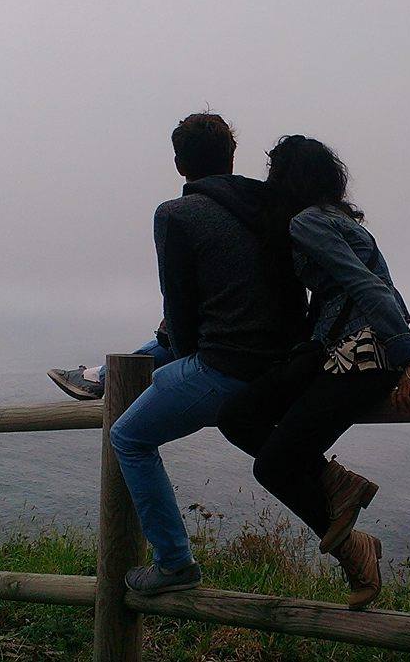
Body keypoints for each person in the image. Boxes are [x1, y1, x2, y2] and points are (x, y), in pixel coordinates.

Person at [216, 135, 410, 610]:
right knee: (237, 416)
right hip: (340, 353)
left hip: (361, 359)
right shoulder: (339, 219)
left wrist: (409, 355)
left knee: (271, 464)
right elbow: (365, 288)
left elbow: (366, 284)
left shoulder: (307, 221)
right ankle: (339, 485)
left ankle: (354, 549)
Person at [106, 114, 306, 595]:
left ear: (179, 163)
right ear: (231, 158)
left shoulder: (176, 214)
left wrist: (178, 359)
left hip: (230, 367)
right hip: (287, 361)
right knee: (153, 352)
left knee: (128, 437)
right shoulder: (270, 203)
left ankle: (174, 563)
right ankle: (103, 376)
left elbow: (179, 308)